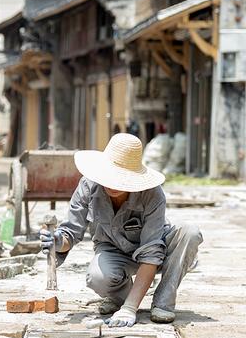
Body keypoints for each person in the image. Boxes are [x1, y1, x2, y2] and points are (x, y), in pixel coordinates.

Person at [39, 133, 202, 327]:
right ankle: (119, 297)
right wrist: (58, 242)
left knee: (190, 232)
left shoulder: (152, 194)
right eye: (110, 177)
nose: (113, 185)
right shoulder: (88, 185)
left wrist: (130, 309)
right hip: (113, 249)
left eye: (121, 180)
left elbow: (151, 253)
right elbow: (71, 233)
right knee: (98, 278)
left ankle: (162, 302)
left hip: (156, 248)